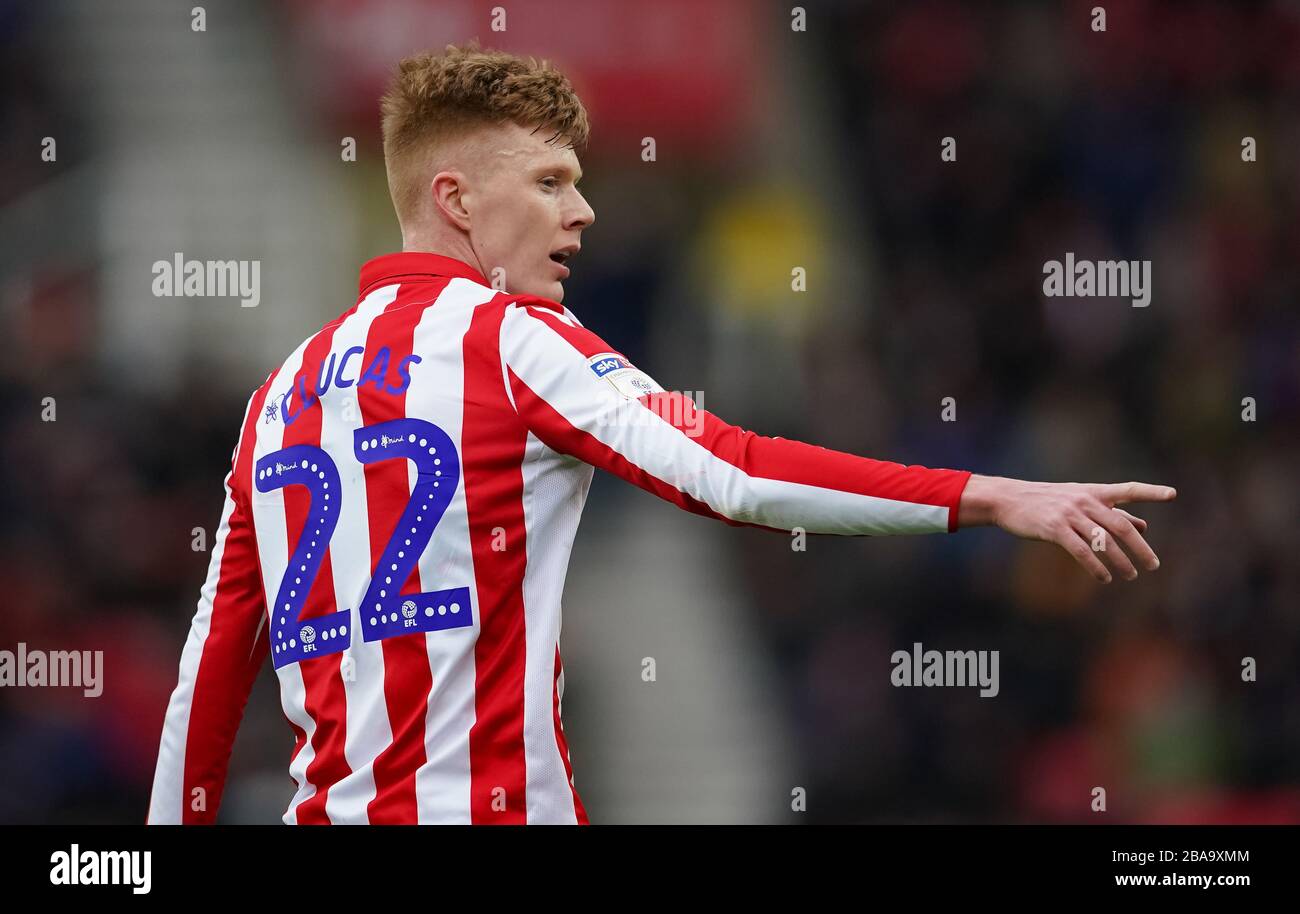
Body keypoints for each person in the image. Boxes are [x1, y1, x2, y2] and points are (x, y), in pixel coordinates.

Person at [148, 43, 1176, 825]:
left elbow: (209, 679)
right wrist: (989, 494)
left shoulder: (279, 393)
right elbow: (731, 472)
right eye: (550, 181)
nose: (584, 210)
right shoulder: (515, 340)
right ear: (455, 200)